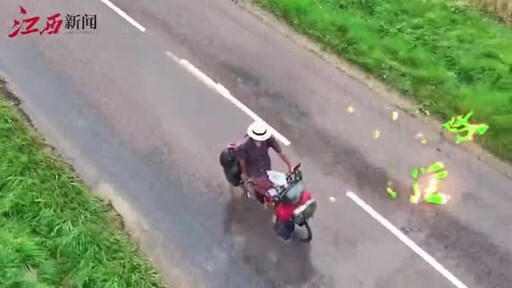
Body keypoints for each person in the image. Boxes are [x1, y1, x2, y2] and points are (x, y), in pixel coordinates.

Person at [236, 121, 293, 203]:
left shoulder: (269, 140)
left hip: (266, 168)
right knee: (262, 190)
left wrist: (290, 166)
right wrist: (245, 174)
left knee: (271, 186)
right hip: (254, 173)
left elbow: (281, 153)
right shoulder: (244, 148)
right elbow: (242, 162)